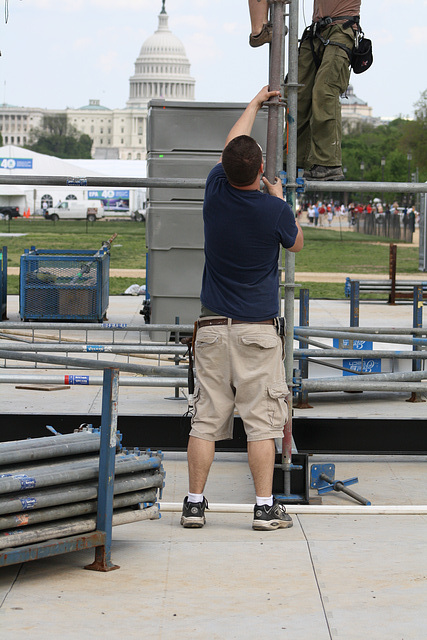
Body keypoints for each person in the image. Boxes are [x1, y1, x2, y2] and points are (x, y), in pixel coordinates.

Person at [181, 86, 304, 532]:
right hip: (256, 331)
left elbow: (230, 148)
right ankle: (264, 507)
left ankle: (194, 503)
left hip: (212, 328)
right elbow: (297, 244)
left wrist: (252, 104)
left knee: (205, 420)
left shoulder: (215, 192)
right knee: (261, 423)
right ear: (262, 170)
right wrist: (279, 198)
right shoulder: (272, 210)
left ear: (226, 169)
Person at [248, 1, 362, 181]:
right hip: (318, 31)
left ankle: (328, 163)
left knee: (324, 93)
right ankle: (292, 159)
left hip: (341, 29)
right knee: (298, 96)